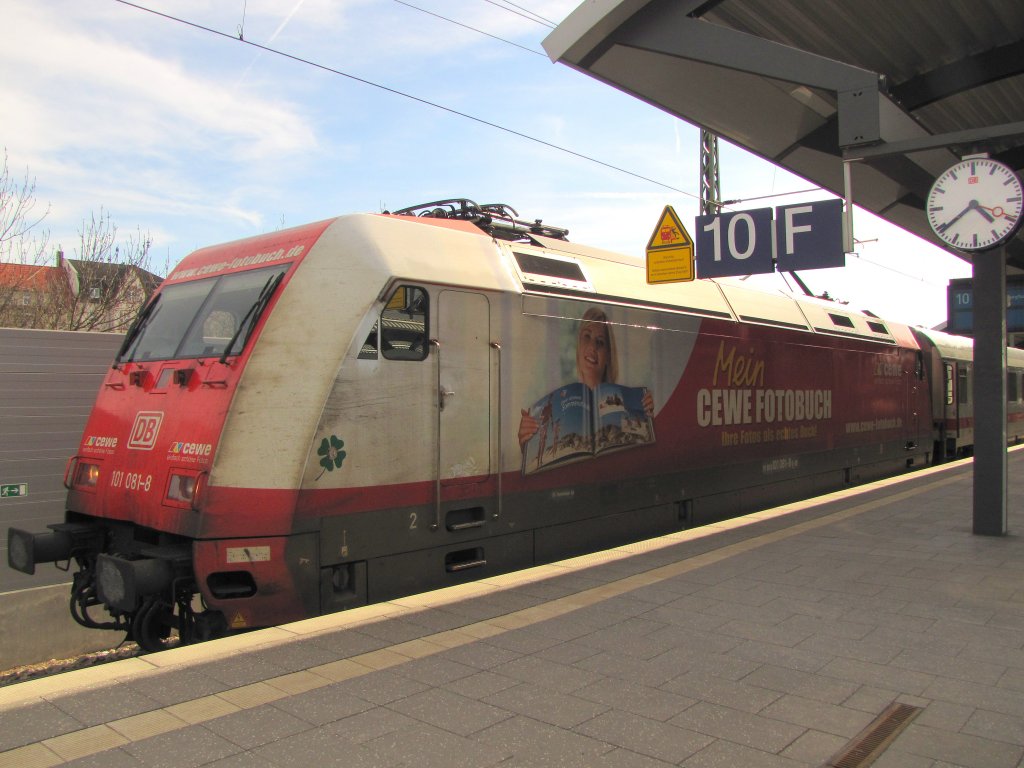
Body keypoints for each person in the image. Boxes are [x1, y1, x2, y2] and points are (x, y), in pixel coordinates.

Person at [519, 307, 651, 448]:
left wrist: (650, 422)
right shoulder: (558, 398)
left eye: (600, 342)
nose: (592, 347)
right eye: (587, 337)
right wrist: (527, 442)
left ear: (608, 355)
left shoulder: (628, 400)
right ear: (578, 345)